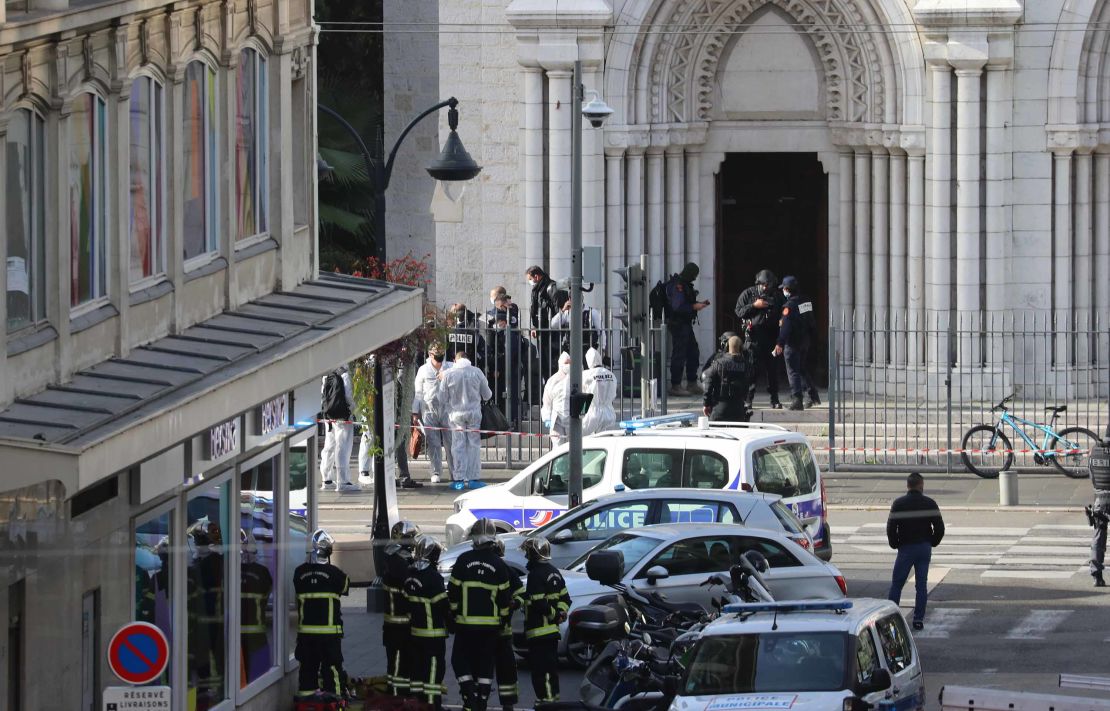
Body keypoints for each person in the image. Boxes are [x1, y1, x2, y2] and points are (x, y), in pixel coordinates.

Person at [448, 518, 516, 711]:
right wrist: (503, 619)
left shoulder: (463, 560)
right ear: (493, 539)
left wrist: (453, 613)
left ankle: (469, 693)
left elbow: (452, 593)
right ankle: (482, 700)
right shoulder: (499, 565)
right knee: (485, 665)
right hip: (491, 628)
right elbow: (504, 600)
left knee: (460, 661)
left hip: (465, 626)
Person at [293, 529, 350, 703]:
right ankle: (336, 698)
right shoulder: (335, 574)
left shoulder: (299, 573)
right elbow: (345, 587)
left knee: (308, 668)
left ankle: (306, 699)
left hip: (306, 635)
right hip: (328, 634)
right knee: (332, 667)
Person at [886, 473, 945, 630]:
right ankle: (918, 619)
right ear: (921, 485)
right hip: (924, 548)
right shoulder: (930, 503)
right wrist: (932, 542)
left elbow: (891, 527)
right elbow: (939, 527)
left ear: (908, 486)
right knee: (921, 585)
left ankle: (892, 619)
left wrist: (895, 543)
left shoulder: (898, 504)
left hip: (905, 548)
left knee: (897, 584)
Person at [519, 537, 570, 704]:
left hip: (538, 633)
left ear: (533, 554)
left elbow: (539, 602)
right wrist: (561, 612)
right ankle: (552, 702)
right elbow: (565, 598)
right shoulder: (554, 571)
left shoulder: (535, 575)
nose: (526, 556)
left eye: (527, 552)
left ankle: (546, 704)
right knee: (550, 672)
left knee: (541, 673)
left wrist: (555, 615)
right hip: (552, 634)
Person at [404, 535, 451, 709]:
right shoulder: (433, 578)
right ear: (433, 555)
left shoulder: (409, 575)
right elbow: (443, 606)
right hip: (433, 635)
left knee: (417, 671)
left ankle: (416, 703)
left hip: (415, 633)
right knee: (433, 672)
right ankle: (432, 705)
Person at [440, 350, 493, 490]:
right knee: (474, 445)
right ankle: (473, 478)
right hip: (474, 413)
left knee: (458, 446)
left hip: (456, 414)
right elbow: (487, 395)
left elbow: (442, 398)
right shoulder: (476, 372)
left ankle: (458, 479)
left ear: (455, 359)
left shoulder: (448, 374)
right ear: (468, 358)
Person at [735, 270, 785, 409]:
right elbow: (738, 311)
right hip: (753, 338)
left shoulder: (777, 296)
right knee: (751, 371)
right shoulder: (748, 294)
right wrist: (754, 306)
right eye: (763, 284)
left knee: (773, 371)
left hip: (771, 338)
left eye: (768, 284)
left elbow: (785, 311)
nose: (765, 287)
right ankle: (748, 399)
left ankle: (774, 399)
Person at [382, 520, 421, 696]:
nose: (413, 543)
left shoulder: (399, 560)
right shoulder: (396, 563)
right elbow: (408, 584)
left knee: (406, 663)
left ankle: (404, 696)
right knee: (398, 665)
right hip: (397, 626)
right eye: (410, 538)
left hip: (404, 626)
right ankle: (396, 698)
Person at [772, 275, 820, 411]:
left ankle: (797, 399)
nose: (783, 291)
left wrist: (779, 343)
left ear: (787, 289)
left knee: (793, 371)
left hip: (792, 343)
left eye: (784, 289)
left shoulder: (789, 306)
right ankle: (812, 395)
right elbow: (812, 322)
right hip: (804, 341)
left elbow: (785, 327)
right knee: (802, 368)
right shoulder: (806, 301)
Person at [665, 262, 709, 396]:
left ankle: (691, 383)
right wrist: (694, 307)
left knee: (693, 352)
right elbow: (677, 306)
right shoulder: (678, 285)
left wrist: (696, 305)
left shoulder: (684, 284)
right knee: (679, 354)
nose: (695, 278)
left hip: (685, 324)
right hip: (678, 324)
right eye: (694, 275)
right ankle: (676, 385)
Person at [413, 345, 453, 485]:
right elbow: (418, 392)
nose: (439, 357)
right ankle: (436, 471)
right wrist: (415, 412)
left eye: (441, 353)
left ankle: (454, 472)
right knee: (434, 443)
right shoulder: (423, 370)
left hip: (447, 410)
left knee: (450, 442)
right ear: (430, 354)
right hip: (429, 410)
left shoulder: (450, 367)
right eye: (437, 354)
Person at [492, 538, 523, 711]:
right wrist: (516, 603)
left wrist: (515, 603)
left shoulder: (505, 569)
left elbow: (520, 593)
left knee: (485, 669)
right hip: (501, 632)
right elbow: (521, 593)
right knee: (506, 671)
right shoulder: (506, 569)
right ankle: (508, 704)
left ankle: (478, 701)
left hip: (488, 632)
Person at [239, 529, 273, 683]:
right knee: (258, 676)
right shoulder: (262, 572)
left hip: (235, 634)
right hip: (256, 634)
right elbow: (266, 594)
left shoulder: (230, 570)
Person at [320, 365, 358, 492]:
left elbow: (323, 395)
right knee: (343, 446)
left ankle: (326, 479)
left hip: (329, 416)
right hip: (343, 416)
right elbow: (349, 396)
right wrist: (353, 410)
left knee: (329, 446)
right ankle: (343, 481)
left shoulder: (327, 375)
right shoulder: (345, 375)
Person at [526, 266, 569, 377]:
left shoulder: (551, 287)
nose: (530, 282)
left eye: (530, 279)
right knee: (545, 364)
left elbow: (559, 311)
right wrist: (536, 327)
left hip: (552, 332)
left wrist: (549, 325)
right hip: (543, 331)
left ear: (536, 276)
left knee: (553, 364)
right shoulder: (538, 289)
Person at [487, 308, 526, 427]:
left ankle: (512, 421)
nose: (495, 325)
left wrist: (498, 367)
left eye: (497, 322)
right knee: (502, 396)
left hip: (510, 371)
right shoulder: (498, 334)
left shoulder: (512, 335)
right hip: (502, 371)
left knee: (511, 396)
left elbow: (508, 355)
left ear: (503, 322)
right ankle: (504, 421)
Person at [702, 335, 754, 422]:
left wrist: (706, 404)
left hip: (719, 410)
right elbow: (749, 386)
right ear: (741, 349)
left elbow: (707, 380)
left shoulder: (718, 363)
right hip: (738, 412)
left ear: (727, 347)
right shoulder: (747, 366)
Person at [1087, 435, 1109, 587]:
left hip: (1100, 499)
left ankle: (1096, 575)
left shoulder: (1095, 451)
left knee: (1098, 536)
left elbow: (1091, 475)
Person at [581, 347, 617, 435]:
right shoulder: (611, 375)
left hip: (592, 413)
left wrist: (581, 414)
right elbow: (614, 394)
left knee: (588, 443)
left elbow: (584, 396)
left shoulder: (585, 375)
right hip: (609, 413)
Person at [541, 352, 572, 448]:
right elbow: (547, 401)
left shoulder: (576, 378)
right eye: (566, 363)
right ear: (561, 364)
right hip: (557, 419)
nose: (568, 365)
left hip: (572, 418)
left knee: (573, 448)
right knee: (558, 447)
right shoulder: (552, 380)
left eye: (570, 363)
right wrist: (547, 418)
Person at [447, 304, 488, 373]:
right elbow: (484, 353)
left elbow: (445, 352)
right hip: (470, 369)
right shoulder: (474, 334)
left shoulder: (448, 333)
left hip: (452, 369)